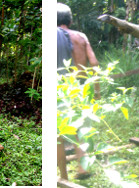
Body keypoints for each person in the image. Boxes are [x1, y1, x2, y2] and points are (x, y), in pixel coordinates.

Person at [54, 2, 93, 180]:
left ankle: (63, 177)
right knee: (80, 129)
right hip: (80, 87)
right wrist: (97, 90)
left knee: (59, 134)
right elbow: (94, 63)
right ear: (70, 19)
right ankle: (83, 168)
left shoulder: (58, 36)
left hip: (63, 87)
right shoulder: (80, 36)